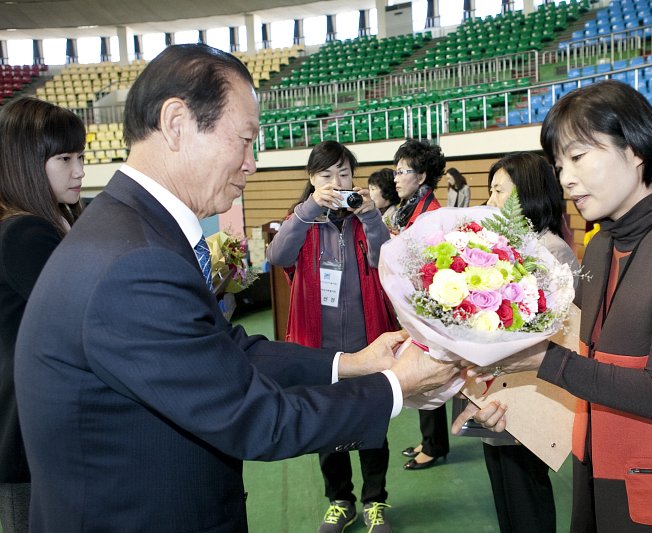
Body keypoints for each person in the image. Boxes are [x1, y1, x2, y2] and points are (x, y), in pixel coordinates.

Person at [14, 44, 459, 533]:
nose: (251, 164)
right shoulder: (135, 261)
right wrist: (397, 386)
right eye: (244, 140)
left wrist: (356, 363)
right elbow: (255, 419)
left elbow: (226, 351)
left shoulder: (132, 229)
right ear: (177, 122)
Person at [455, 79, 652, 531]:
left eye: (578, 157)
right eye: (559, 165)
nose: (565, 178)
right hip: (602, 477)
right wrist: (514, 406)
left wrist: (541, 360)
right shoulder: (602, 245)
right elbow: (588, 363)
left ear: (636, 150)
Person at [266, 141, 397, 533]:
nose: (337, 182)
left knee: (373, 421)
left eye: (343, 173)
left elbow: (385, 261)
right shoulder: (302, 219)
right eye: (326, 175)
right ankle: (341, 500)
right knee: (328, 425)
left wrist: (372, 217)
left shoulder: (364, 218)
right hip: (318, 349)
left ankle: (376, 501)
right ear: (312, 180)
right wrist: (308, 210)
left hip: (367, 342)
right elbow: (277, 256)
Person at [482, 151, 579, 533]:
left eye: (498, 191)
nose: (490, 201)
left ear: (528, 195)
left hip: (530, 392)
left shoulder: (551, 250)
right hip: (498, 388)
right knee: (504, 488)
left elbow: (557, 330)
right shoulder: (504, 248)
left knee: (525, 493)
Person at [0, 98, 85, 533]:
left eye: (81, 157)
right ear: (26, 163)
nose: (80, 171)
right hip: (23, 434)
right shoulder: (23, 232)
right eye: (64, 158)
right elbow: (81, 318)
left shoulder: (55, 221)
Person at [390, 139, 451, 471]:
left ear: (422, 175)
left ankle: (435, 445)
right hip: (418, 306)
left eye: (403, 171)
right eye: (395, 171)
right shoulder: (411, 208)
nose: (396, 178)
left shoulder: (432, 214)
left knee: (429, 376)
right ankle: (430, 440)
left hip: (430, 308)